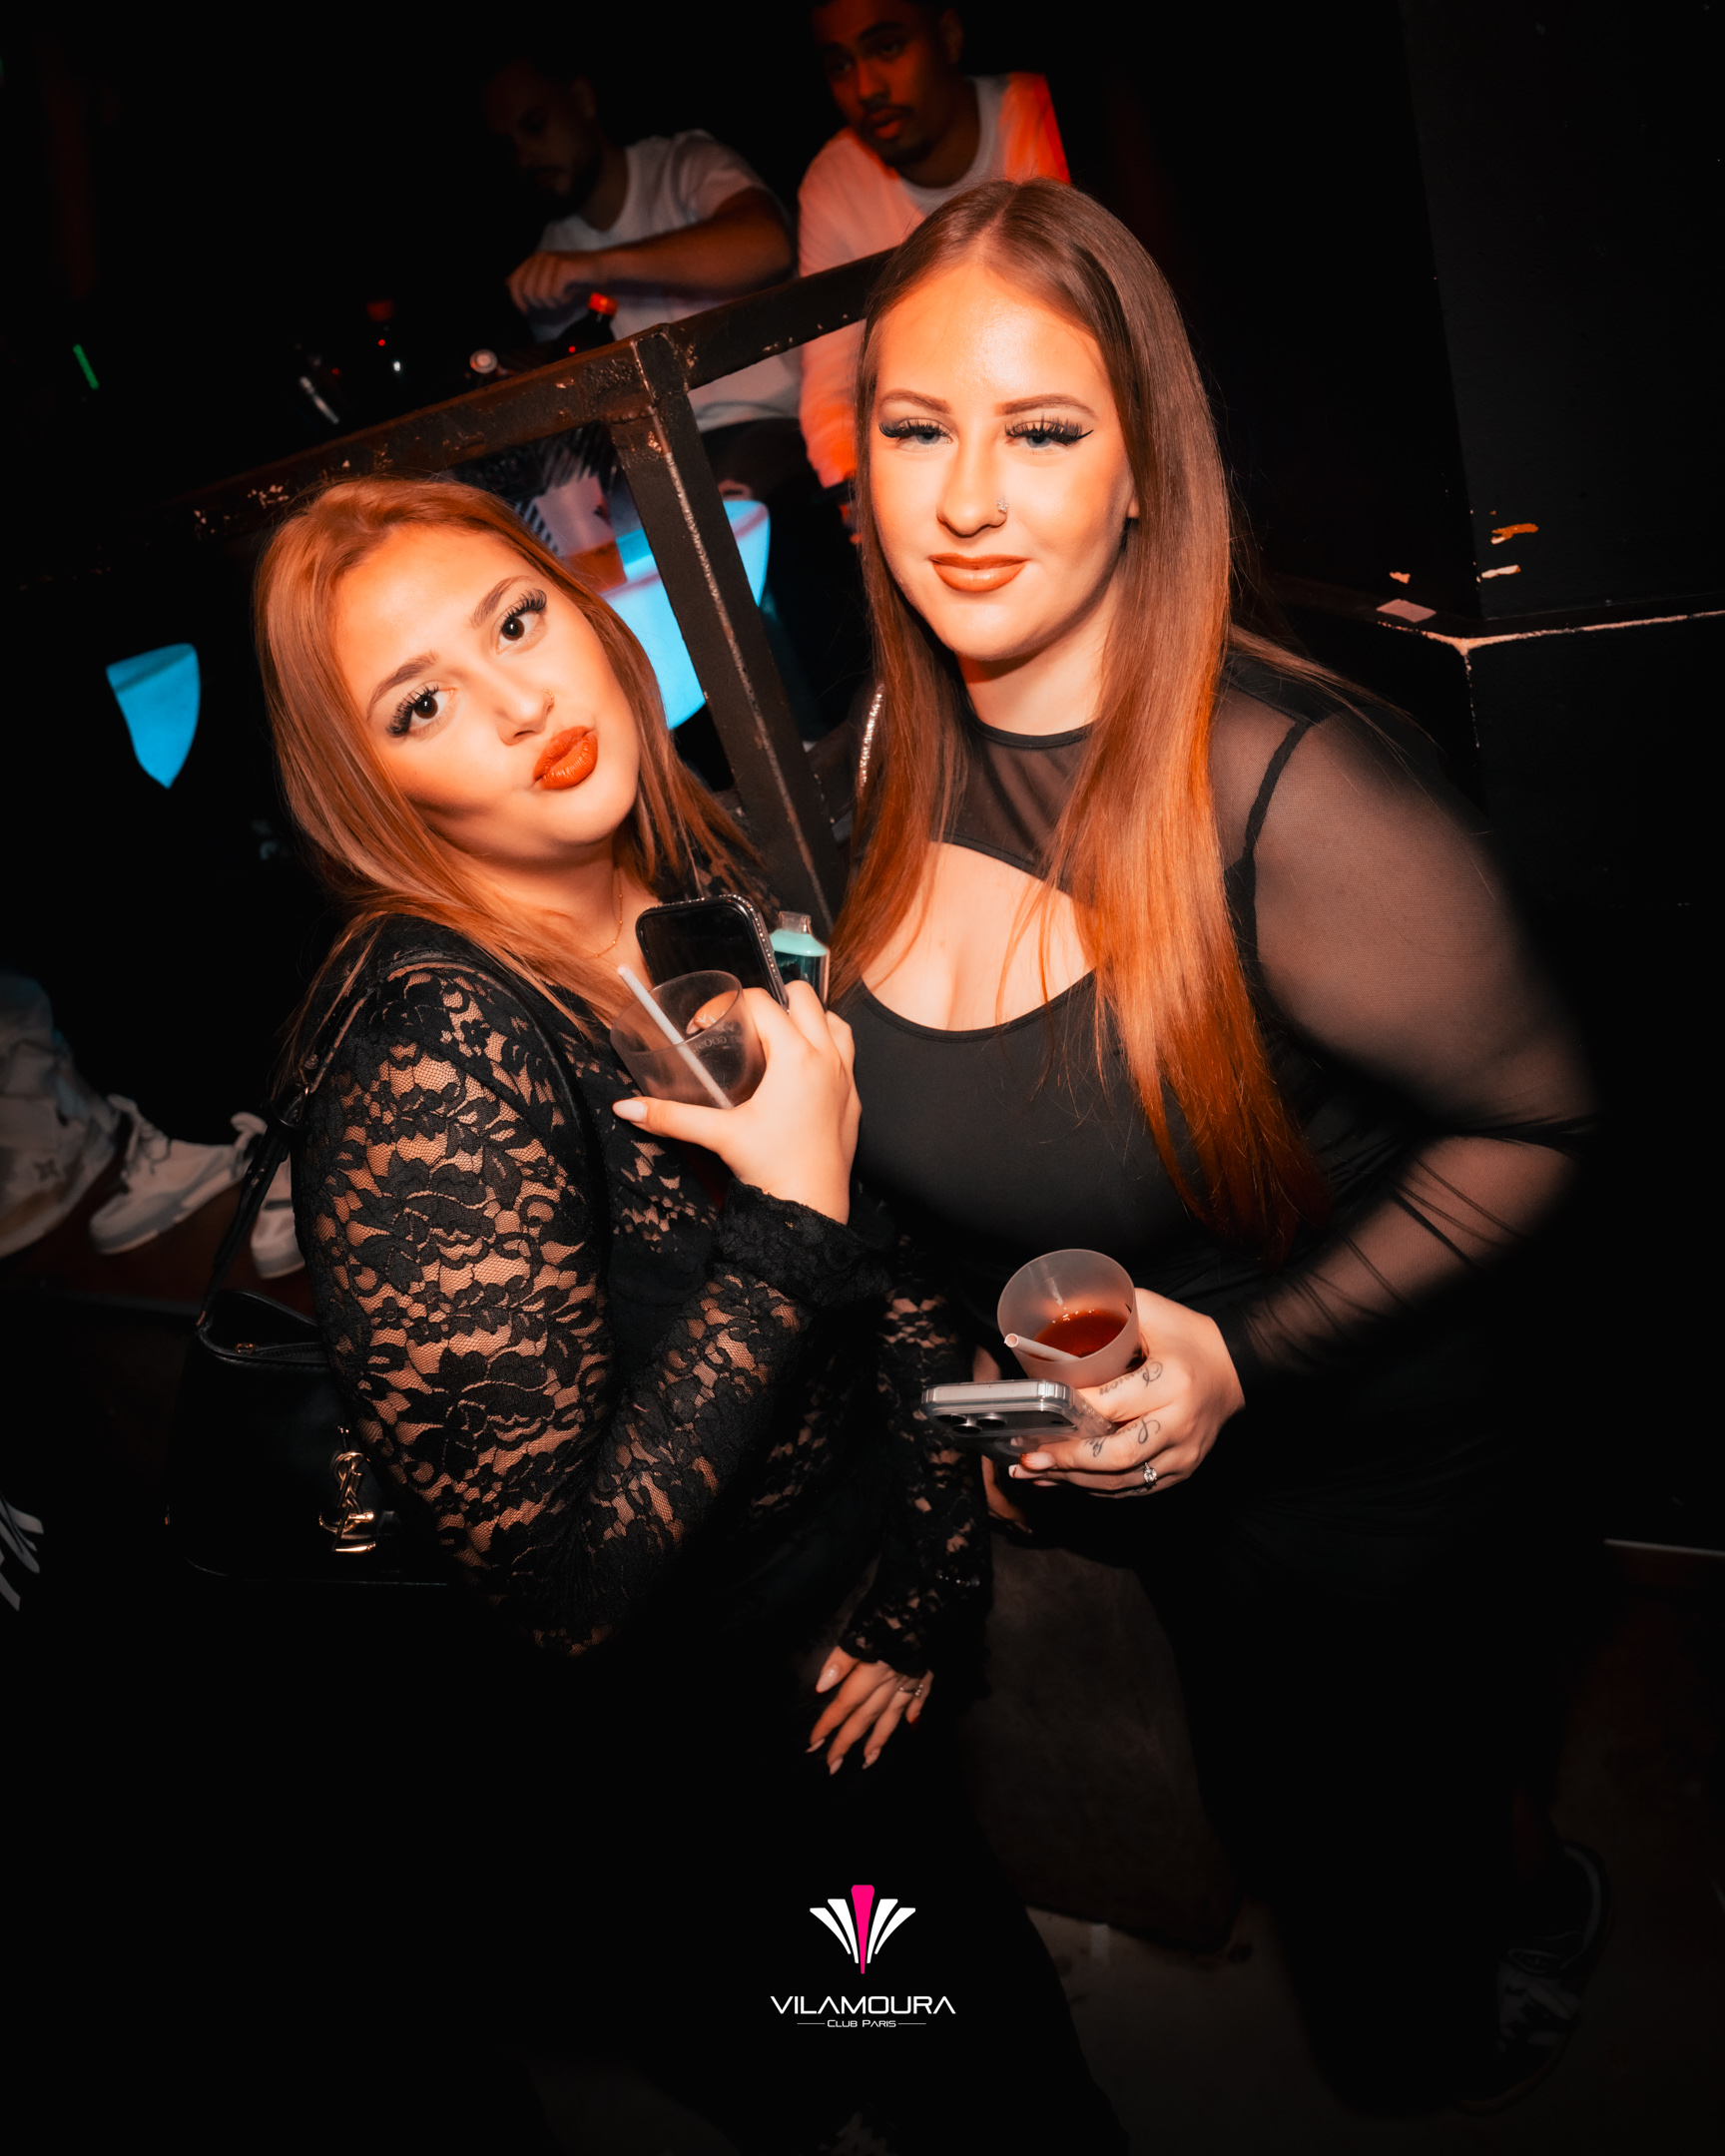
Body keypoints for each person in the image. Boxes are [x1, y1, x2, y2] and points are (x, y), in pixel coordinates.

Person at [829, 180, 1606, 2114]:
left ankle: (1521, 1923)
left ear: (1143, 476)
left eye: (1041, 431)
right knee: (1297, 1802)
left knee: (1397, 1891)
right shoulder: (883, 755)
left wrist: (1241, 1357)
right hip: (1167, 1485)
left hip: (1374, 1464)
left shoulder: (1289, 795)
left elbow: (1540, 1121)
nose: (965, 501)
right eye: (917, 429)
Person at [240, 474, 1122, 2153]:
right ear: (373, 785)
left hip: (850, 1663)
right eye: (422, 703)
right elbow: (562, 1589)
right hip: (711, 1753)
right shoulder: (431, 1060)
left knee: (936, 2055)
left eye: (516, 620)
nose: (520, 704)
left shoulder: (678, 897)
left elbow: (883, 1279)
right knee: (969, 2077)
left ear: (589, 611)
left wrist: (929, 1581)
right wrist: (785, 1220)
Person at [483, 46, 863, 732]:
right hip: (647, 470)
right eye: (507, 146)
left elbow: (764, 243)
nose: (525, 156)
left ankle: (819, 742)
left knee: (718, 523)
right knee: (589, 565)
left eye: (535, 126)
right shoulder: (549, 255)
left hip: (770, 431)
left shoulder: (682, 164)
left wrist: (595, 267)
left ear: (583, 101)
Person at [798, 1, 1068, 494]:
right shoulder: (833, 182)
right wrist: (863, 495)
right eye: (840, 66)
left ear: (948, 36)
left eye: (887, 48)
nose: (866, 88)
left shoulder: (1043, 117)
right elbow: (832, 390)